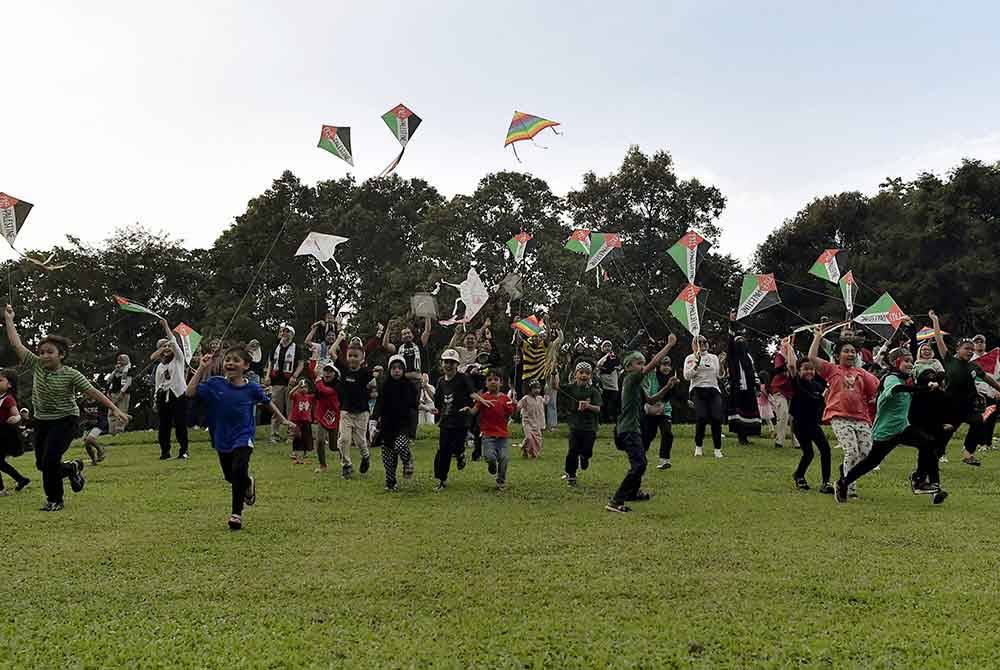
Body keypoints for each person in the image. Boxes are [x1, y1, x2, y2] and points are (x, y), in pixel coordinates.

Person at [4, 304, 129, 511]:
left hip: (65, 421)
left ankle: (55, 499)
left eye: (49, 352)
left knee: (51, 460)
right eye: (41, 352)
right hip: (42, 421)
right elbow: (16, 344)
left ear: (61, 355)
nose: (44, 355)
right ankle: (72, 468)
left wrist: (114, 409)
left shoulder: (71, 374)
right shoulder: (36, 365)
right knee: (42, 465)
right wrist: (9, 319)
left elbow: (92, 391)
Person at [187, 345, 293, 530]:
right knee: (231, 475)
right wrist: (202, 368)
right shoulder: (214, 383)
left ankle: (236, 514)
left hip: (243, 435)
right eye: (228, 359)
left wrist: (283, 420)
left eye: (236, 360)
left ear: (246, 365)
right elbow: (189, 392)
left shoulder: (251, 388)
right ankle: (248, 482)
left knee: (239, 467)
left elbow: (267, 403)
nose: (230, 363)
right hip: (221, 437)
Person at [835, 347, 948, 505]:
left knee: (928, 443)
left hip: (903, 427)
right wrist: (922, 388)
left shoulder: (904, 378)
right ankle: (843, 483)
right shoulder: (891, 378)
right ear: (897, 362)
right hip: (886, 431)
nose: (910, 364)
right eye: (906, 361)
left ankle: (922, 481)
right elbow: (896, 389)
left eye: (911, 361)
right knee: (871, 462)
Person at [606, 334, 677, 514]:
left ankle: (632, 493)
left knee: (641, 462)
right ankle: (616, 501)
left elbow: (652, 401)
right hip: (627, 430)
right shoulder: (630, 379)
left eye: (642, 362)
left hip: (633, 429)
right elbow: (653, 364)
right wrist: (668, 346)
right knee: (639, 464)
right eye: (639, 363)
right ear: (628, 367)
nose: (642, 366)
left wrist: (667, 387)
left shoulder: (638, 385)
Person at [807, 323, 879, 498]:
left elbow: (876, 389)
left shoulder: (862, 373)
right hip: (839, 416)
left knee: (866, 454)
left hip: (861, 418)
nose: (850, 354)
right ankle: (848, 486)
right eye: (846, 351)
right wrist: (817, 336)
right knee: (852, 451)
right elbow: (812, 357)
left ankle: (846, 471)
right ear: (837, 355)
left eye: (853, 351)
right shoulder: (832, 369)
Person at [930, 312, 1000, 466]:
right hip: (950, 406)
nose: (970, 351)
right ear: (958, 349)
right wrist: (935, 320)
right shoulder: (949, 360)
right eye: (967, 348)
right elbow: (938, 339)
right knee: (947, 432)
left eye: (972, 349)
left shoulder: (973, 366)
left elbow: (987, 378)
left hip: (968, 406)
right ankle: (935, 456)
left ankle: (968, 455)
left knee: (978, 423)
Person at [782, 339, 831, 492]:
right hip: (800, 424)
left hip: (813, 424)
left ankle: (825, 483)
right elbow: (791, 365)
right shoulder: (797, 382)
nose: (809, 371)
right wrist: (789, 346)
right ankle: (799, 475)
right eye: (805, 369)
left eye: (812, 369)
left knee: (825, 450)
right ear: (799, 370)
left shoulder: (818, 385)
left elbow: (824, 398)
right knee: (808, 453)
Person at [432, 349, 479, 491]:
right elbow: (438, 401)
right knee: (444, 450)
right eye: (446, 362)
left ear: (457, 364)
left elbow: (472, 394)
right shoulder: (440, 381)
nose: (448, 365)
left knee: (458, 447)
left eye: (452, 363)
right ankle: (441, 479)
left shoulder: (463, 378)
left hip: (461, 421)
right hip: (446, 422)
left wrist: (472, 408)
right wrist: (437, 414)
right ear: (442, 364)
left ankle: (460, 455)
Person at [372, 355, 417, 491]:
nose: (396, 371)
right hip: (386, 425)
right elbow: (379, 403)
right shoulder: (385, 385)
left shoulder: (409, 386)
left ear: (403, 370)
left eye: (399, 368)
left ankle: (408, 460)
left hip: (403, 424)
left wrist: (413, 429)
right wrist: (374, 420)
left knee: (401, 445)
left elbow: (414, 406)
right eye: (393, 368)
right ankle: (390, 482)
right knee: (387, 456)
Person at [334, 338, 376, 478]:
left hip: (362, 412)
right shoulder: (343, 369)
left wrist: (372, 389)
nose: (352, 358)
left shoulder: (366, 373)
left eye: (355, 356)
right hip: (346, 411)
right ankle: (346, 465)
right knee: (344, 440)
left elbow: (374, 389)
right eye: (350, 355)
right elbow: (331, 351)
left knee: (360, 441)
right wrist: (339, 339)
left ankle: (365, 456)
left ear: (362, 358)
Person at [150, 318, 190, 460]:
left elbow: (173, 340)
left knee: (180, 424)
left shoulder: (178, 359)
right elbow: (158, 384)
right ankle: (165, 451)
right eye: (163, 347)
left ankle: (183, 450)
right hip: (163, 396)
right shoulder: (160, 367)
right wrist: (155, 400)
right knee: (164, 426)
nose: (167, 348)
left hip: (178, 394)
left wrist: (166, 326)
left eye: (168, 346)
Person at [471, 369, 516, 491]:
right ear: (485, 383)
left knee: (504, 458)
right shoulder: (483, 398)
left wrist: (514, 404)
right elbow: (474, 411)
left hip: (502, 436)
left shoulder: (505, 398)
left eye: (496, 379)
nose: (493, 382)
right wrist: (467, 410)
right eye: (489, 380)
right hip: (487, 435)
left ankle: (500, 481)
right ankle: (491, 466)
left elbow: (511, 413)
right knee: (490, 457)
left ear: (501, 383)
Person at [683, 335, 725, 459]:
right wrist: (697, 364)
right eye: (700, 342)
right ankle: (699, 446)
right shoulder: (690, 358)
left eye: (705, 342)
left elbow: (720, 375)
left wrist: (722, 364)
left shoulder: (713, 357)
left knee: (716, 418)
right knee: (701, 417)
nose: (703, 344)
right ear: (694, 344)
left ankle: (717, 449)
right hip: (698, 389)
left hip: (713, 389)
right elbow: (687, 376)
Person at [562, 362, 602, 485]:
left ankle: (584, 458)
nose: (584, 375)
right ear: (575, 374)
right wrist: (553, 372)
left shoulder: (593, 391)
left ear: (591, 376)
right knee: (573, 450)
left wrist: (588, 406)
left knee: (587, 450)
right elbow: (555, 386)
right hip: (575, 426)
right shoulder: (570, 387)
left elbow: (598, 408)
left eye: (587, 373)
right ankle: (571, 474)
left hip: (590, 427)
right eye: (581, 372)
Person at [264, 324, 304, 444]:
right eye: (283, 331)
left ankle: (291, 435)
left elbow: (301, 363)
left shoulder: (296, 348)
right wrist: (267, 376)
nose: (284, 334)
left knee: (291, 409)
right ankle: (274, 434)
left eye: (287, 332)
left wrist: (295, 376)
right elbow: (270, 363)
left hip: (290, 382)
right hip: (277, 381)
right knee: (276, 408)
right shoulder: (275, 347)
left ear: (292, 335)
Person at [726, 315, 762, 445]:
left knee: (748, 412)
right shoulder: (732, 356)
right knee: (739, 413)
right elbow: (730, 340)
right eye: (738, 341)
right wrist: (732, 322)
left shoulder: (748, 357)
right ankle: (741, 437)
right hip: (737, 387)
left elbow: (754, 371)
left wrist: (757, 387)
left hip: (749, 388)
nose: (740, 342)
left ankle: (746, 436)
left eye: (742, 340)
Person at [641, 357, 679, 470]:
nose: (666, 368)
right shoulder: (651, 375)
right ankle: (640, 457)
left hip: (665, 411)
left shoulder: (672, 379)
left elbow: (669, 398)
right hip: (650, 412)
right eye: (664, 365)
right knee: (648, 436)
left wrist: (672, 387)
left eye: (668, 365)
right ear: (659, 366)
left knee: (668, 433)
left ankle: (664, 460)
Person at [0, 369, 30, 495]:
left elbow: (17, 415)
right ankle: (21, 479)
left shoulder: (8, 399)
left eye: (0, 380)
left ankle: (2, 489)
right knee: (0, 462)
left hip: (5, 435)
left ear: (9, 385)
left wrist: (16, 418)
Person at [312, 361, 341, 474]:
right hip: (321, 415)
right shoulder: (319, 383)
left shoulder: (338, 385)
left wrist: (318, 381)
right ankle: (322, 465)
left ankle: (345, 461)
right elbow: (316, 397)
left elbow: (326, 391)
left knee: (334, 446)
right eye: (325, 370)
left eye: (330, 371)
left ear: (335, 373)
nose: (327, 373)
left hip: (334, 416)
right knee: (319, 440)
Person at [769, 348, 798, 449]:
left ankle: (797, 441)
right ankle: (779, 441)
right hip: (779, 388)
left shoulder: (795, 357)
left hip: (792, 391)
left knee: (794, 417)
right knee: (784, 413)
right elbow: (779, 368)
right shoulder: (779, 356)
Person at [288, 379, 316, 465]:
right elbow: (290, 394)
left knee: (306, 436)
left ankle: (306, 452)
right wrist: (297, 386)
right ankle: (295, 452)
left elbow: (318, 395)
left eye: (305, 387)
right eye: (302, 387)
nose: (303, 389)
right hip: (296, 419)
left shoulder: (310, 397)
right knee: (297, 436)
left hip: (306, 420)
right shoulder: (296, 395)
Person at [77, 392, 108, 466]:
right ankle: (93, 460)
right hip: (89, 425)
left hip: (99, 423)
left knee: (90, 439)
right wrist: (82, 421)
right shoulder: (82, 403)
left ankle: (100, 450)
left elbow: (106, 410)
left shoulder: (99, 402)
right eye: (85, 393)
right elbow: (81, 413)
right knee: (87, 444)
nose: (86, 395)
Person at [518, 381, 547, 458]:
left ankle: (532, 452)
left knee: (536, 440)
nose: (537, 390)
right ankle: (524, 448)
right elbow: (518, 406)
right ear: (530, 389)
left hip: (537, 422)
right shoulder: (526, 398)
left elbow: (546, 402)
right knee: (529, 437)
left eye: (538, 388)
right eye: (535, 388)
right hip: (527, 422)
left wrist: (548, 392)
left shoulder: (540, 398)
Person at [106, 353, 132, 435]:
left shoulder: (129, 370)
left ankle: (119, 431)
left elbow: (128, 383)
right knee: (111, 413)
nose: (119, 361)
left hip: (123, 394)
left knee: (121, 412)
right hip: (112, 394)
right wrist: (114, 371)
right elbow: (109, 380)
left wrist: (122, 392)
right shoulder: (116, 371)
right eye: (118, 360)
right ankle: (112, 431)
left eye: (121, 360)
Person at [596, 340, 621, 424]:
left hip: (613, 380)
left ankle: (612, 418)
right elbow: (599, 365)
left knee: (613, 400)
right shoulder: (600, 356)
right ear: (602, 348)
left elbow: (618, 365)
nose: (607, 348)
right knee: (604, 401)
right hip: (603, 380)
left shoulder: (614, 356)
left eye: (609, 346)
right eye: (605, 346)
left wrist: (617, 368)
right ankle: (603, 419)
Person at [757, 372, 775, 438]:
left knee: (768, 420)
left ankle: (772, 431)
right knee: (760, 420)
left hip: (765, 405)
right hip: (759, 404)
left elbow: (767, 395)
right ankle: (758, 432)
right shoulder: (760, 385)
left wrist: (762, 390)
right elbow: (758, 395)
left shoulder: (766, 386)